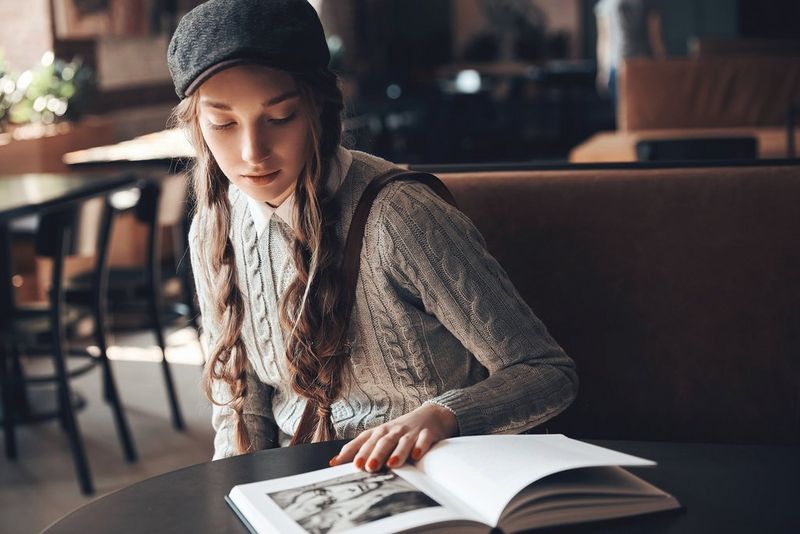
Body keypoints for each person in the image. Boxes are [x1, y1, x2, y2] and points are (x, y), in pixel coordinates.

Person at [166, 0, 578, 473]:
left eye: (280, 118)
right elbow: (242, 410)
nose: (252, 152)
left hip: (438, 479)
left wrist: (444, 416)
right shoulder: (213, 229)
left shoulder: (401, 218)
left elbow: (547, 372)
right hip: (308, 489)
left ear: (319, 108)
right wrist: (238, 496)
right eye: (223, 124)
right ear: (196, 127)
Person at [595, 0, 666, 101]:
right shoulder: (606, 4)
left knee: (626, 112)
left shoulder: (606, 3)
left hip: (633, 66)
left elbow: (603, 39)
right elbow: (655, 36)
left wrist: (602, 70)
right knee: (640, 111)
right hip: (632, 66)